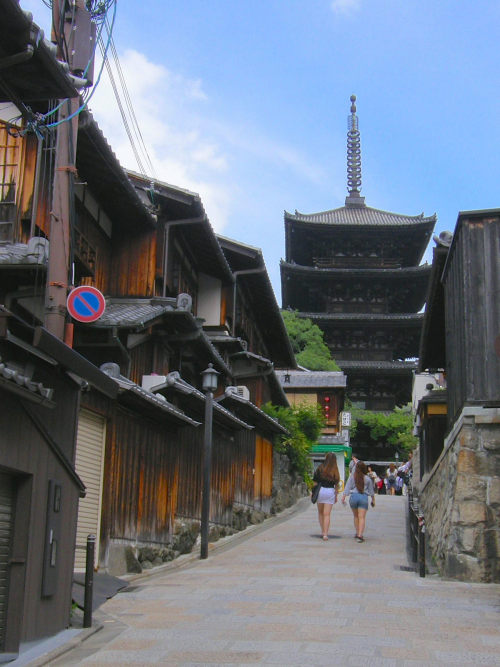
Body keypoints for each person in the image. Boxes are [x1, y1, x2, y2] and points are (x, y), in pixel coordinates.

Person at [341, 461, 375, 542]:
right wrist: (373, 500)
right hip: (363, 497)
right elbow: (371, 491)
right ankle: (360, 535)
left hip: (353, 497)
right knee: (362, 517)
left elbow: (347, 487)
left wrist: (343, 497)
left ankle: (357, 532)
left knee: (356, 516)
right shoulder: (367, 479)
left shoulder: (352, 477)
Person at [312, 452, 341, 541]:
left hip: (321, 490)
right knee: (327, 514)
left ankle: (322, 531)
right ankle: (325, 534)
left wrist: (313, 492)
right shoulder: (335, 470)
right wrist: (336, 496)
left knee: (320, 512)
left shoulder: (320, 468)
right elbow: (337, 485)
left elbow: (315, 482)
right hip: (330, 491)